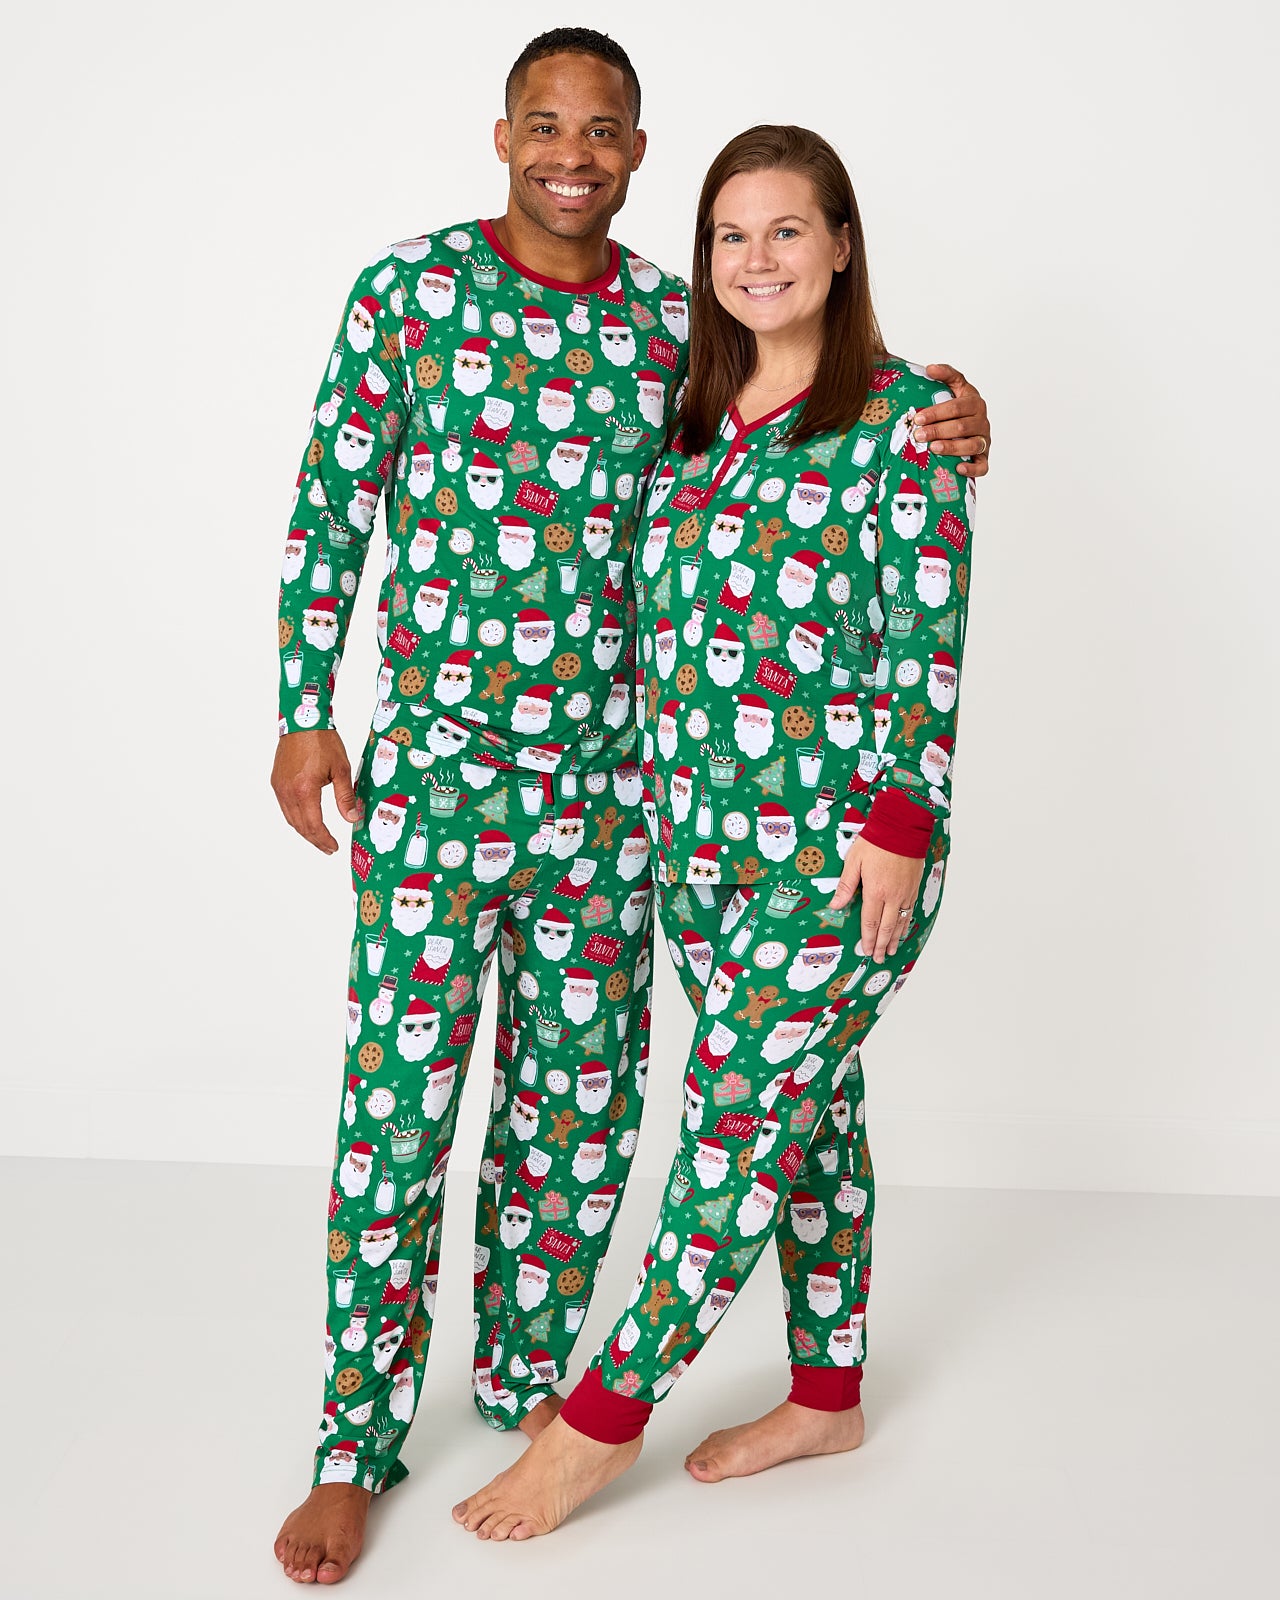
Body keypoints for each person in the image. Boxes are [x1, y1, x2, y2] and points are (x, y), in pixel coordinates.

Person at [274, 31, 991, 1584]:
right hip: (445, 795)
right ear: (504, 135)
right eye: (547, 124)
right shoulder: (411, 297)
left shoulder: (685, 330)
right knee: (398, 1114)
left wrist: (950, 407)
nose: (574, 153)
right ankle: (354, 1438)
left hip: (630, 822)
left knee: (582, 1123)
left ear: (640, 151)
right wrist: (300, 705)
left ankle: (546, 1389)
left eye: (605, 129)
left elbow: (865, 438)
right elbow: (332, 499)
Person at [453, 122, 982, 1542]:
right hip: (697, 861)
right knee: (807, 1122)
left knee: (733, 1132)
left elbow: (927, 646)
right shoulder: (683, 439)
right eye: (730, 236)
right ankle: (828, 1393)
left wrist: (900, 822)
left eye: (787, 231)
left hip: (843, 859)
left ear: (842, 244)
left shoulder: (906, 418)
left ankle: (599, 1426)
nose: (757, 259)